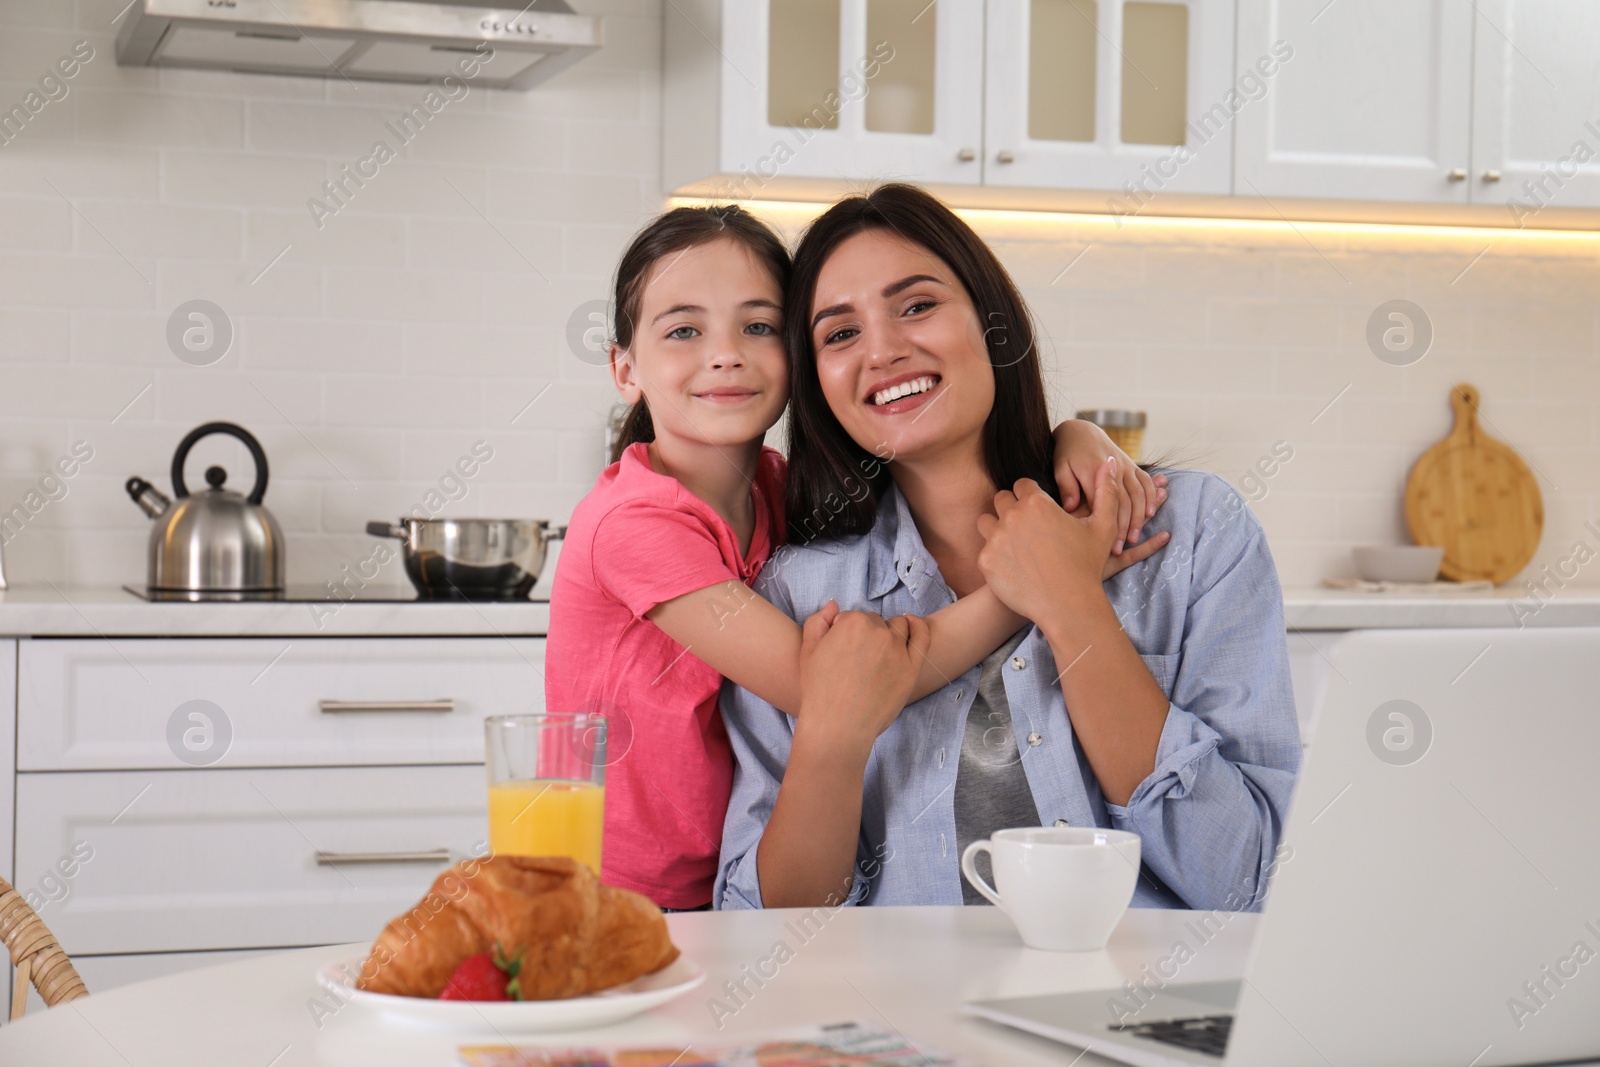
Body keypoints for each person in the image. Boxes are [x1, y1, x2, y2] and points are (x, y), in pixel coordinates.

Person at [545, 204, 1170, 911]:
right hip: (604, 888)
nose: (726, 352)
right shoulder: (633, 523)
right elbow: (833, 693)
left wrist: (1076, 435)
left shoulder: (778, 489)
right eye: (684, 330)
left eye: (758, 326)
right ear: (625, 369)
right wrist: (1044, 581)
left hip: (709, 880)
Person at [717, 184, 1302, 912]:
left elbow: (1245, 884)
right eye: (840, 334)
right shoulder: (799, 596)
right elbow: (757, 931)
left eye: (917, 305)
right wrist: (832, 739)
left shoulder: (1192, 534)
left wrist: (1075, 608)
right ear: (818, 384)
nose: (885, 350)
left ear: (992, 324)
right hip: (901, 1020)